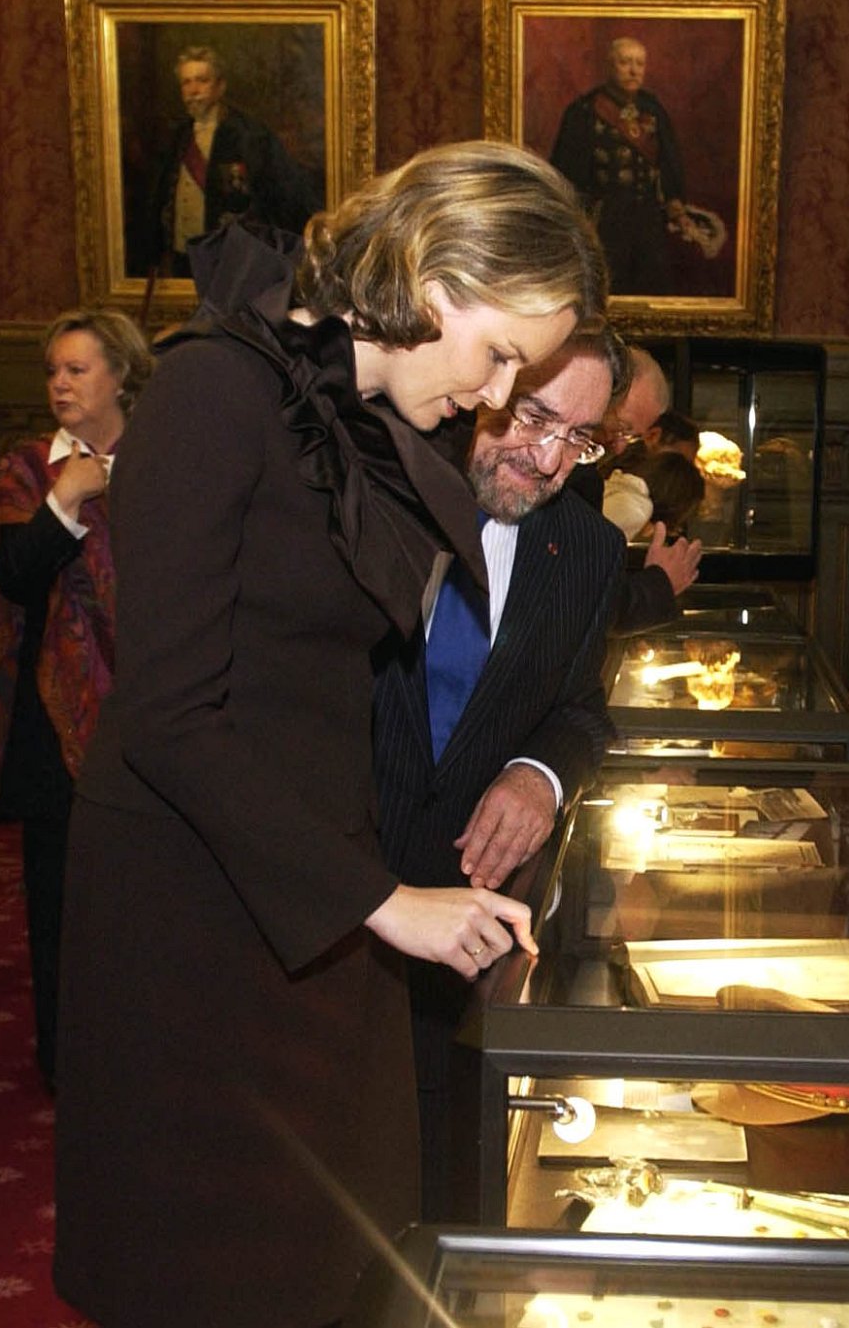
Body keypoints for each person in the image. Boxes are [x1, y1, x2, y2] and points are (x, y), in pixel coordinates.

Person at [55, 139, 607, 1328]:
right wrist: (382, 901)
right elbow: (169, 715)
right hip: (194, 896)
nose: (501, 394)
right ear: (432, 278)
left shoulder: (362, 414)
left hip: (309, 877)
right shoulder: (215, 390)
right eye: (500, 351)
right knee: (214, 1262)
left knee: (325, 1247)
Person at [372, 333, 626, 1223]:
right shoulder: (373, 497)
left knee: (444, 1184)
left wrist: (538, 773)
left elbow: (584, 709)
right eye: (535, 417)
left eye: (581, 439)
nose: (550, 458)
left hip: (466, 923)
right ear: (482, 385)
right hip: (325, 910)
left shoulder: (588, 548)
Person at [0, 307, 151, 1092]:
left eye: (77, 369)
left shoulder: (166, 458)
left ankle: (147, 1043)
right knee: (61, 898)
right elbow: (9, 578)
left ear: (122, 378)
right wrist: (63, 503)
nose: (61, 384)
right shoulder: (29, 467)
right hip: (54, 720)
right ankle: (67, 1058)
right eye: (52, 372)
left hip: (151, 711)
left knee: (146, 894)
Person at [145, 45, 322, 276]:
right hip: (183, 258)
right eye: (186, 83)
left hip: (231, 259)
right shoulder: (176, 138)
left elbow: (279, 196)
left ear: (220, 87)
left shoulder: (249, 136)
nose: (193, 90)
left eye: (202, 81)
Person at [567, 346, 701, 634]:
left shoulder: (584, 472)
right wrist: (659, 583)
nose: (619, 446)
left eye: (630, 436)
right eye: (620, 427)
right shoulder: (569, 471)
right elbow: (577, 603)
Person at [549, 36, 688, 295]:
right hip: (606, 218)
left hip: (648, 216)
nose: (634, 70)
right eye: (625, 63)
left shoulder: (653, 108)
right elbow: (566, 173)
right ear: (609, 66)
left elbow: (670, 160)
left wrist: (674, 201)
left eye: (639, 64)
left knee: (653, 284)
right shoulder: (584, 111)